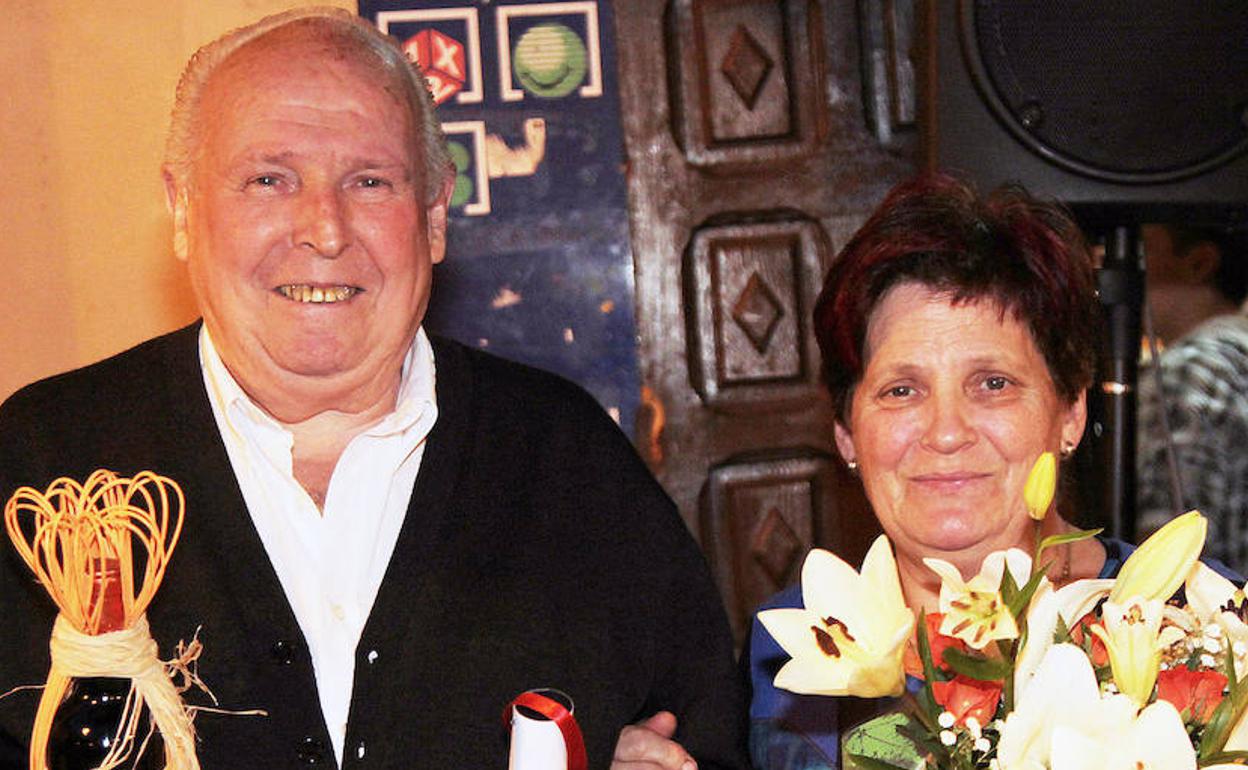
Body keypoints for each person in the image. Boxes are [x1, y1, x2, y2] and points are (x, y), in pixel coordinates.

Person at [0, 8, 747, 770]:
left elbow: (706, 736)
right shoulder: (46, 464)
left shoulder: (566, 460)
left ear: (434, 214)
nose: (325, 230)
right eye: (268, 180)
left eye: (369, 181)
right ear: (183, 208)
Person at [745, 173, 1125, 769]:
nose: (946, 433)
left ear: (1071, 413)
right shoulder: (790, 650)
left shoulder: (1189, 622)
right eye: (901, 390)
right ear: (845, 432)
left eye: (993, 383)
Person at [1136, 222, 1248, 572]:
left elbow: (1169, 537)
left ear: (1200, 262)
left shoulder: (1190, 367)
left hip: (1214, 600)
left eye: (1145, 247)